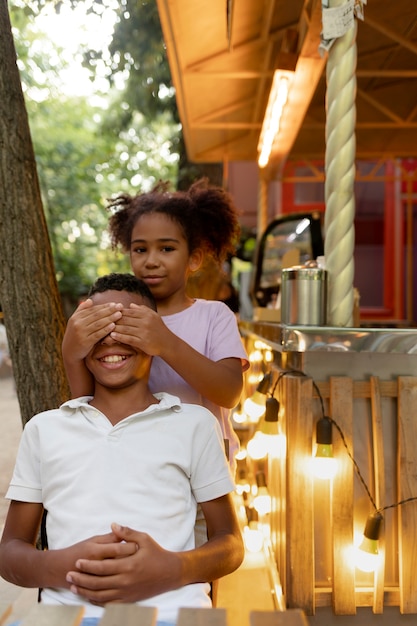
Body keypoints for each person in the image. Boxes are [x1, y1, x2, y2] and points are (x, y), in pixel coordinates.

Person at [0, 273, 244, 626]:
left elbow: (231, 544)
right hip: (65, 617)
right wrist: (64, 564)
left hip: (172, 615)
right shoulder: (45, 429)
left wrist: (172, 569)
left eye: (128, 325)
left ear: (154, 336)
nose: (111, 339)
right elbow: (10, 553)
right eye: (97, 327)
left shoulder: (194, 424)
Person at [62, 179, 249, 471]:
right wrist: (71, 353)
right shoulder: (115, 315)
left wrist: (166, 343)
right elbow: (87, 403)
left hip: (203, 468)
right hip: (136, 463)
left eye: (166, 249)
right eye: (140, 250)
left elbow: (230, 392)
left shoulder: (215, 316)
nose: (151, 261)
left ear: (194, 258)